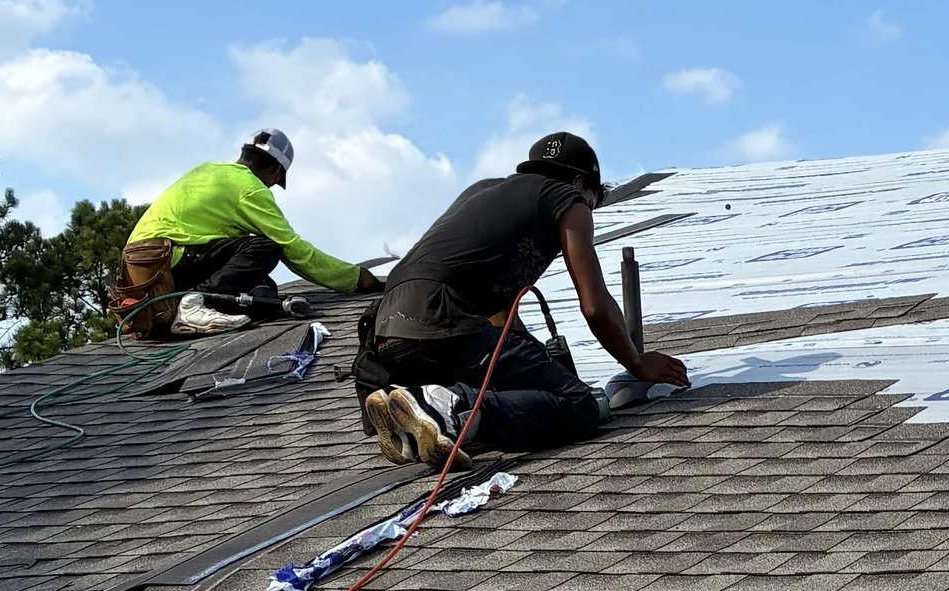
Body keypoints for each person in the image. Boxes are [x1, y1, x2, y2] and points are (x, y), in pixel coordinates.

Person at [354, 128, 689, 464]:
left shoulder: (484, 192)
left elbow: (502, 321)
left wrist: (539, 365)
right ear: (578, 183)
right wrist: (637, 362)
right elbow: (594, 305)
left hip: (390, 336)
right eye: (592, 201)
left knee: (515, 396)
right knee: (581, 406)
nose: (589, 210)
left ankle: (428, 412)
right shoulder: (566, 198)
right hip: (442, 324)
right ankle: (446, 406)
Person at [115, 130, 384, 338]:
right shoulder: (250, 188)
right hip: (168, 262)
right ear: (275, 171)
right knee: (267, 247)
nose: (272, 187)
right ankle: (194, 304)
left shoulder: (207, 171)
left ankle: (187, 308)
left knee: (263, 290)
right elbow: (293, 249)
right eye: (276, 181)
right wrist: (357, 279)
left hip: (143, 273)